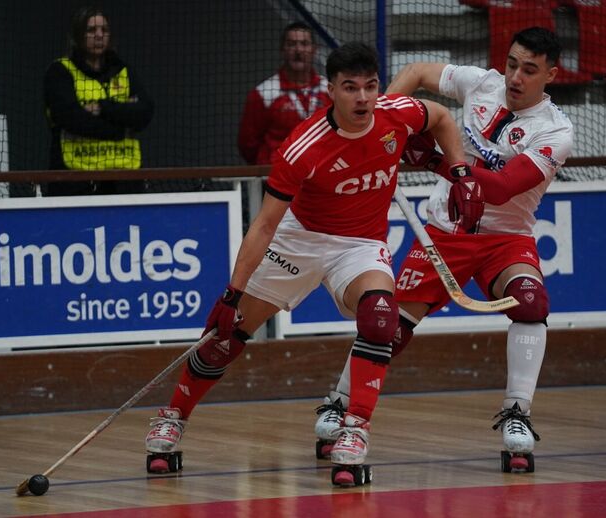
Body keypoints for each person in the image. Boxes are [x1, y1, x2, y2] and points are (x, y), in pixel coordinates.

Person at [145, 42, 464, 486]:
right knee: (225, 337)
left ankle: (354, 428)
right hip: (300, 240)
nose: (363, 98)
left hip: (359, 245)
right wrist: (231, 294)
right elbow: (264, 226)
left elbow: (443, 118)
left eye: (370, 87)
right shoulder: (302, 147)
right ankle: (173, 417)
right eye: (350, 88)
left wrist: (461, 171)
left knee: (380, 317)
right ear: (330, 90)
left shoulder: (397, 113)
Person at [312, 27, 574, 472]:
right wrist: (383, 125)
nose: (514, 77)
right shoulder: (481, 83)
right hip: (444, 233)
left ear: (551, 73)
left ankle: (517, 414)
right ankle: (337, 404)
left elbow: (502, 188)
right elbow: (415, 71)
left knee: (531, 302)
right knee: (389, 329)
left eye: (529, 70)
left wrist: (436, 158)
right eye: (512, 64)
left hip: (505, 239)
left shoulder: (556, 131)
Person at [43, 6, 154, 196]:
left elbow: (144, 112)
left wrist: (101, 107)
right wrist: (121, 128)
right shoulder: (61, 72)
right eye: (91, 30)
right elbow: (70, 118)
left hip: (124, 183)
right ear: (79, 36)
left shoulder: (123, 71)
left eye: (104, 30)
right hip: (74, 183)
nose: (99, 35)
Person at [237, 22, 332, 166]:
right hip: (276, 177)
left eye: (304, 44)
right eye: (291, 44)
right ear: (282, 49)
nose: (298, 50)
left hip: (320, 174)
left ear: (314, 50)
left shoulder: (329, 91)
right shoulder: (264, 94)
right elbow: (248, 144)